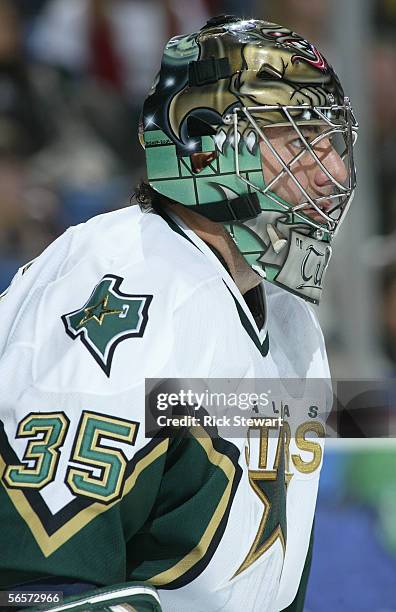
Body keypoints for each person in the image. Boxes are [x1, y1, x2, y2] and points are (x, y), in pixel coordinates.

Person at [0, 15, 358, 612]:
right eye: (301, 143)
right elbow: (36, 579)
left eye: (333, 146)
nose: (336, 174)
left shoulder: (292, 319)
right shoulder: (120, 279)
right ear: (202, 141)